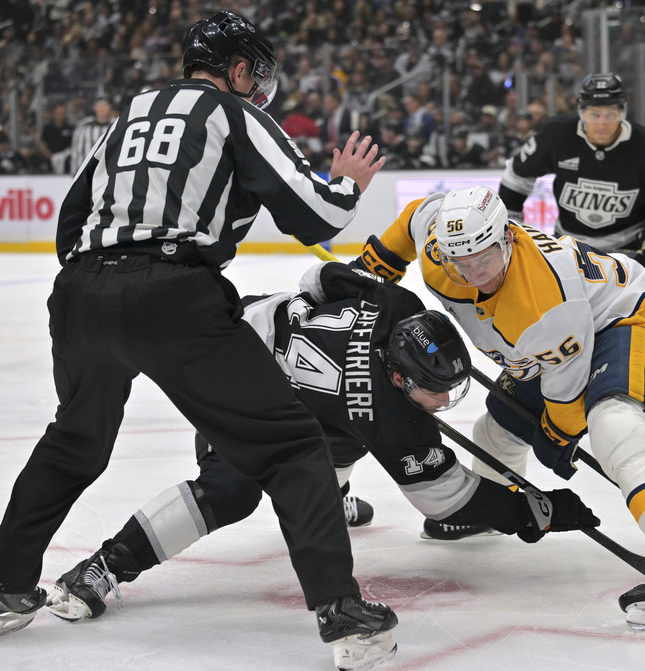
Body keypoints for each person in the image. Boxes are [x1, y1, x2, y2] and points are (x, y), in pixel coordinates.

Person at [0, 11, 396, 671]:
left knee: (73, 443)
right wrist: (349, 183)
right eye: (255, 70)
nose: (259, 86)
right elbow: (317, 216)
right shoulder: (233, 114)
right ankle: (340, 610)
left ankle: (2, 587)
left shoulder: (133, 111)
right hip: (173, 297)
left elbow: (71, 220)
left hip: (81, 293)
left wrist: (107, 280)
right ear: (232, 68)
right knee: (290, 448)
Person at [45, 261, 597, 620]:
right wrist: (534, 511)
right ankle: (104, 566)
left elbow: (321, 279)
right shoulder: (393, 417)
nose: (443, 403)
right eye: (435, 392)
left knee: (336, 430)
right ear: (401, 378)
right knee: (229, 491)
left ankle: (329, 497)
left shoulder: (397, 308)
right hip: (230, 380)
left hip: (249, 329)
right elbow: (446, 498)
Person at [354, 186, 645, 630]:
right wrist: (372, 270)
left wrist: (557, 437)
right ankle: (484, 517)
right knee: (495, 432)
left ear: (507, 239)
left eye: (485, 259)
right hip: (540, 347)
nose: (475, 274)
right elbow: (417, 214)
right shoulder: (439, 243)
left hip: (618, 321)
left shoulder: (545, 302)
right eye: (464, 263)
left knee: (613, 424)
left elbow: (566, 407)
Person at [497, 73, 645, 439]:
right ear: (580, 112)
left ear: (622, 111)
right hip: (572, 253)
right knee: (563, 325)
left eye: (610, 113)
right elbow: (515, 180)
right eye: (594, 114)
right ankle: (556, 401)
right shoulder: (557, 136)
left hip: (632, 255)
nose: (602, 122)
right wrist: (511, 228)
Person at [68, 95, 115, 172]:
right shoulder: (84, 125)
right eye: (99, 105)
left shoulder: (116, 125)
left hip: (109, 171)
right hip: (87, 171)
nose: (102, 108)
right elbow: (76, 148)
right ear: (95, 107)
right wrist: (75, 171)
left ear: (110, 107)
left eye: (105, 105)